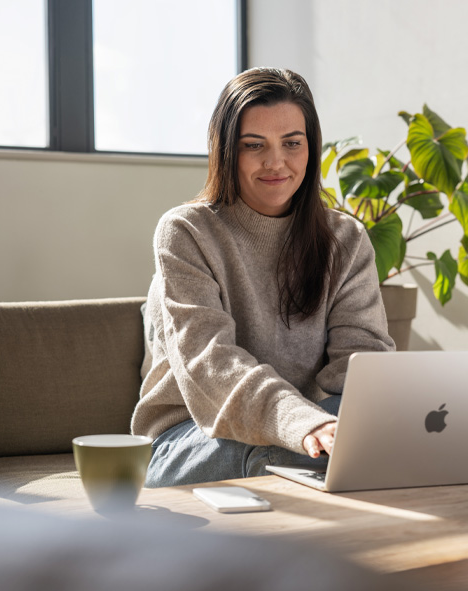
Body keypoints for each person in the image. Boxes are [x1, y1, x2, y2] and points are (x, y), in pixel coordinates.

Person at [132, 67, 395, 488]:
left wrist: (364, 426)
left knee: (388, 447)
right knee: (295, 456)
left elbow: (359, 364)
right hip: (190, 437)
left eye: (292, 143)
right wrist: (305, 425)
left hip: (310, 432)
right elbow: (212, 367)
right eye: (254, 146)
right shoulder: (186, 231)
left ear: (311, 148)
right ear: (226, 151)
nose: (276, 162)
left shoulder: (345, 238)